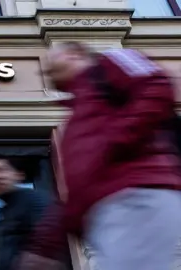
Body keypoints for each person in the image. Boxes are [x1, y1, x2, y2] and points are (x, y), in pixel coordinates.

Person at [20, 42, 181, 270]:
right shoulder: (77, 118)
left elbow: (157, 86)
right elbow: (78, 190)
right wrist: (46, 244)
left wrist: (115, 140)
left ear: (73, 54)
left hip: (138, 198)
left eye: (52, 59)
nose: (45, 69)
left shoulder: (112, 61)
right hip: (109, 216)